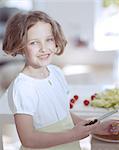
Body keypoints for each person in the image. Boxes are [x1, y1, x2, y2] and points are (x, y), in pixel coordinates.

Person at [2, 11, 119, 150]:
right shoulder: (23, 87)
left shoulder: (56, 73)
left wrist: (96, 128)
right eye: (34, 42)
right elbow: (29, 139)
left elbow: (64, 115)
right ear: (20, 46)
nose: (44, 48)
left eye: (49, 39)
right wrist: (73, 135)